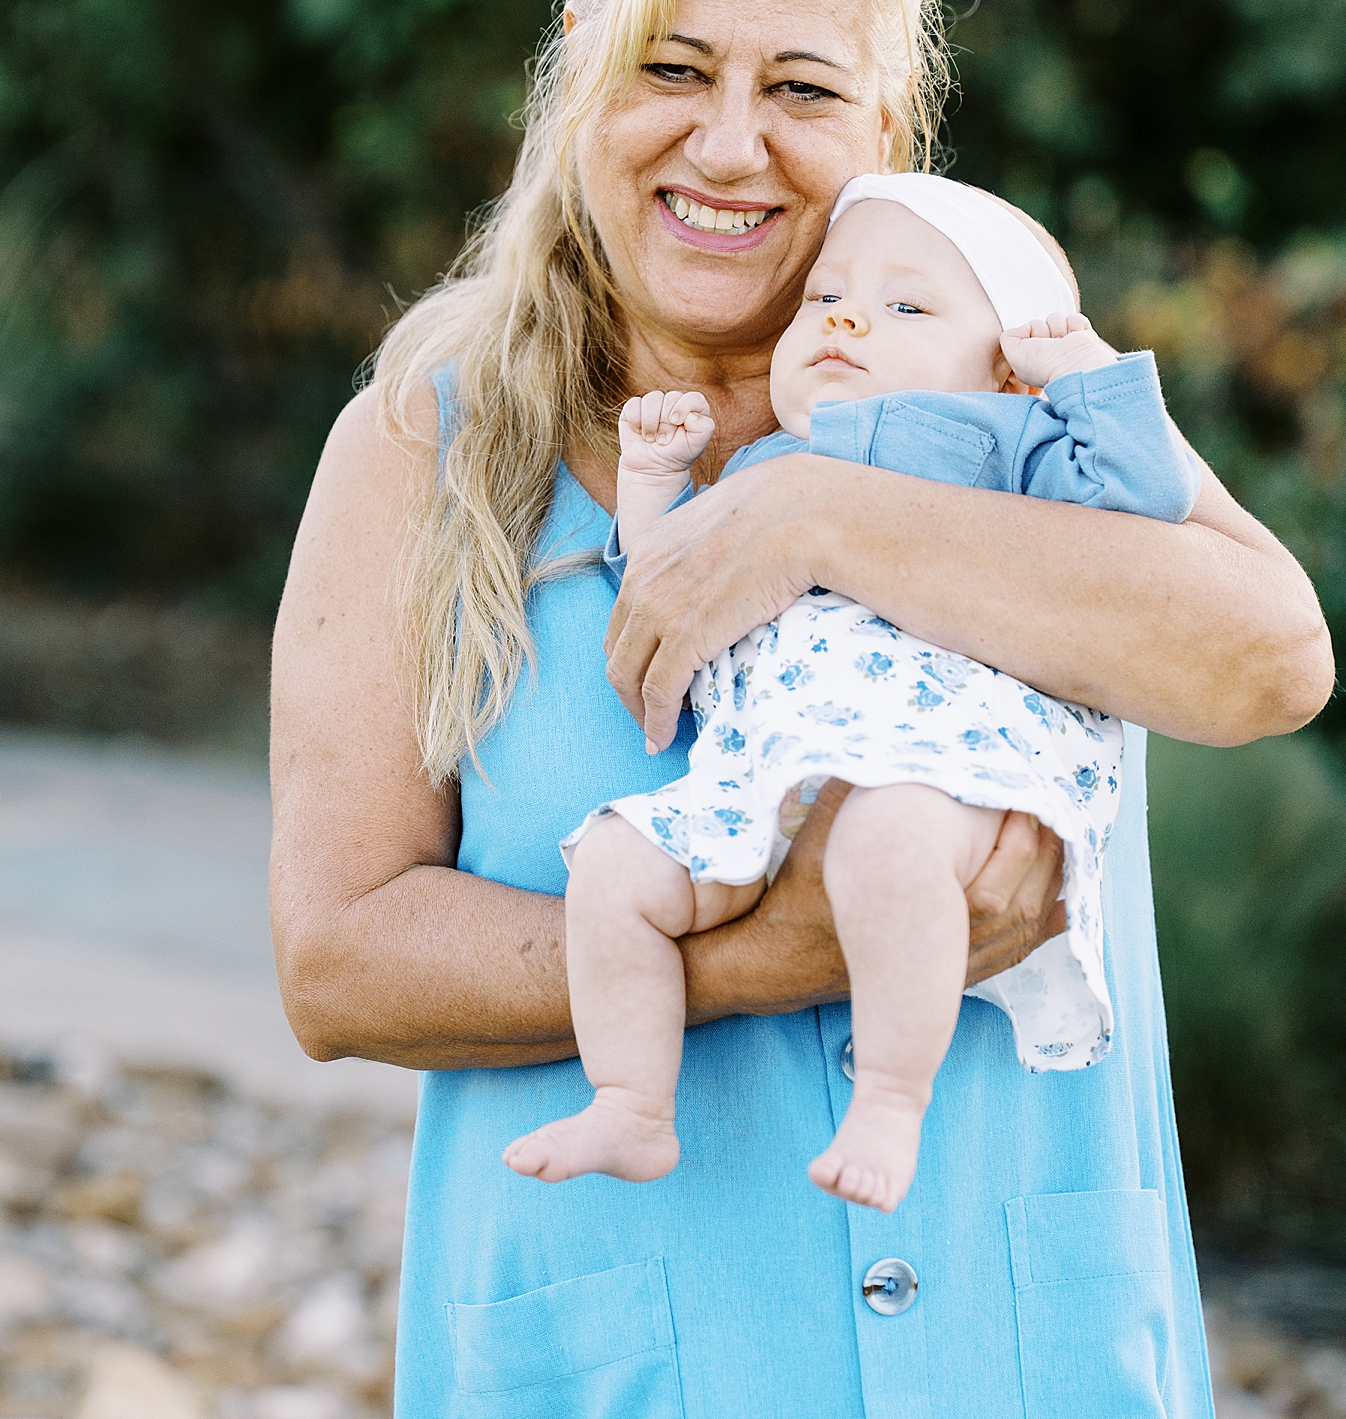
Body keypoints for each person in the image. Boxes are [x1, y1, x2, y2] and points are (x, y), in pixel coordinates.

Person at [269, 0, 1332, 1419]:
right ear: (579, 63)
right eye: (672, 67)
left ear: (887, 122)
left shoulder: (1015, 377)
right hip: (633, 1361)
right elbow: (339, 963)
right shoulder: (426, 444)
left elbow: (1269, 658)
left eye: (802, 89)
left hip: (1025, 1355)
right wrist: (775, 954)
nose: (727, 143)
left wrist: (822, 511)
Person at [506, 172, 1197, 1213]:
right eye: (826, 296)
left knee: (887, 845)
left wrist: (1085, 376)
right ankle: (632, 1101)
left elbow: (1146, 495)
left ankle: (889, 1100)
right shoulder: (760, 468)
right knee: (612, 866)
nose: (848, 317)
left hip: (941, 766)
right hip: (760, 783)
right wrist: (657, 483)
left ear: (1005, 368)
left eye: (908, 306)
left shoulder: (1004, 444)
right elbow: (669, 587)